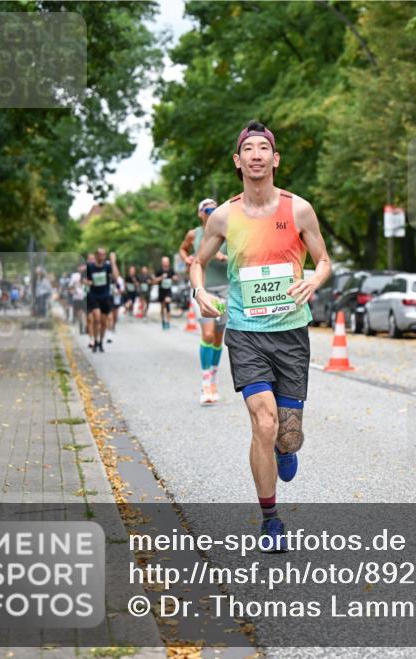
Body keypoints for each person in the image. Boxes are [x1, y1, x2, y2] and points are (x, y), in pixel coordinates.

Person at [190, 121, 332, 551]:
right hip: (246, 332)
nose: (256, 155)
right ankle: (271, 520)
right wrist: (200, 291)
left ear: (275, 159)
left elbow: (324, 261)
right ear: (238, 161)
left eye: (263, 148)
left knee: (287, 435)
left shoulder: (299, 210)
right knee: (264, 423)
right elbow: (198, 262)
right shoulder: (224, 216)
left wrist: (314, 279)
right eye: (248, 149)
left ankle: (286, 448)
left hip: (291, 333)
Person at [180, 197, 229, 404]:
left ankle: (214, 379)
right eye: (208, 210)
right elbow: (183, 249)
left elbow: (240, 258)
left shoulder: (228, 232)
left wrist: (223, 257)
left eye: (215, 210)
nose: (212, 213)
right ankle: (206, 383)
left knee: (218, 338)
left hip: (225, 289)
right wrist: (187, 259)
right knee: (207, 335)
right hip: (203, 289)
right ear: (200, 213)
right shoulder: (194, 234)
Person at [84, 247, 120, 352]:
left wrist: (113, 262)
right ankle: (95, 340)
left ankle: (100, 342)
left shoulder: (107, 266)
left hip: (105, 296)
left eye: (104, 255)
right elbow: (84, 279)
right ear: (96, 255)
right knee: (96, 318)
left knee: (104, 322)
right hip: (94, 296)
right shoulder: (90, 267)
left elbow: (116, 278)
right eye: (100, 254)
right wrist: (88, 282)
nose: (102, 257)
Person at [151, 257, 175, 330]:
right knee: (162, 307)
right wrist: (161, 277)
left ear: (169, 262)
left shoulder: (171, 270)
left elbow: (175, 277)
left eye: (167, 262)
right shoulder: (159, 270)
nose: (166, 263)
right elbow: (154, 281)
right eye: (164, 262)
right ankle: (163, 321)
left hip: (168, 290)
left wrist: (174, 278)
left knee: (167, 303)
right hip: (161, 291)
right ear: (162, 263)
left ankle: (168, 322)